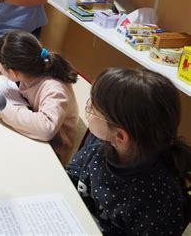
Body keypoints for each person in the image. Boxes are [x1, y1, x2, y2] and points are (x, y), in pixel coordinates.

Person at [66, 67, 191, 235]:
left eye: (93, 107)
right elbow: (73, 174)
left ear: (120, 136)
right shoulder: (100, 140)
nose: (87, 105)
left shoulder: (158, 198)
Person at [0, 30, 79, 164]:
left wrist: (0, 107)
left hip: (52, 152)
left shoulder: (55, 90)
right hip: (31, 126)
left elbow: (46, 129)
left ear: (13, 73)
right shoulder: (32, 64)